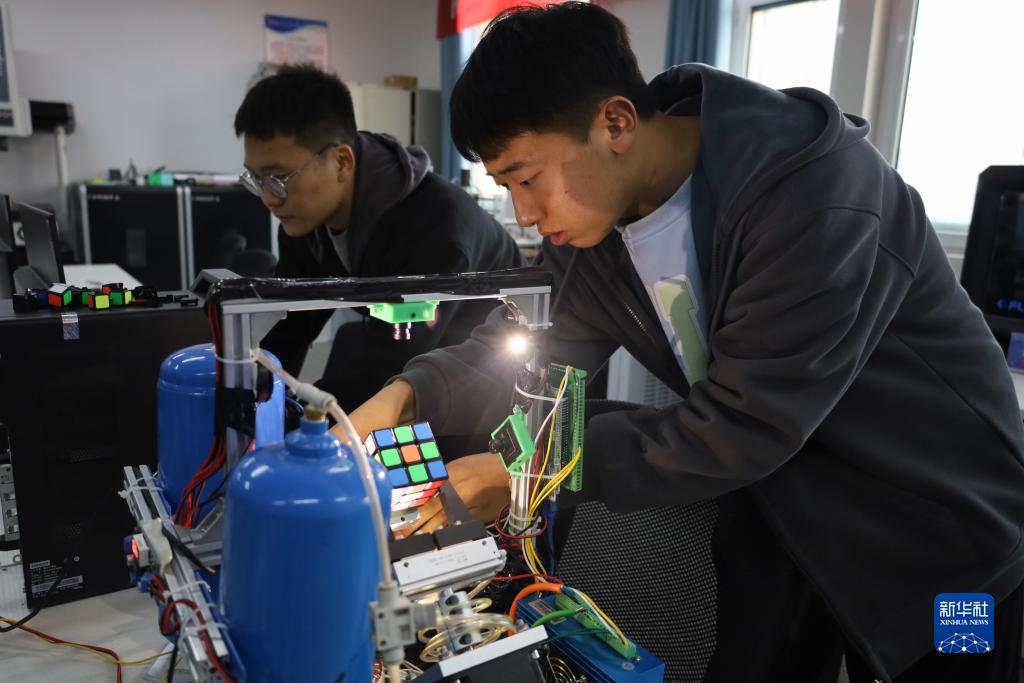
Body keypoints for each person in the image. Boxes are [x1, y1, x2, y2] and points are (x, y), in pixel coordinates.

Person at [350, 4, 1024, 682]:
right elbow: (523, 345)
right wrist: (407, 396)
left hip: (942, 532)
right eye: (506, 186)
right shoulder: (597, 226)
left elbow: (742, 423)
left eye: (527, 179)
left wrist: (514, 473)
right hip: (783, 507)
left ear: (616, 124)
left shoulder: (816, 197)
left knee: (946, 665)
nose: (523, 213)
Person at [233, 64, 525, 410]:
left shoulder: (432, 228)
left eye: (278, 179)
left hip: (495, 368)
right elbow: (291, 325)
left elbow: (391, 369)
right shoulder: (305, 220)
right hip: (412, 350)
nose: (269, 199)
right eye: (256, 180)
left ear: (342, 162)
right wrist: (256, 396)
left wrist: (303, 417)